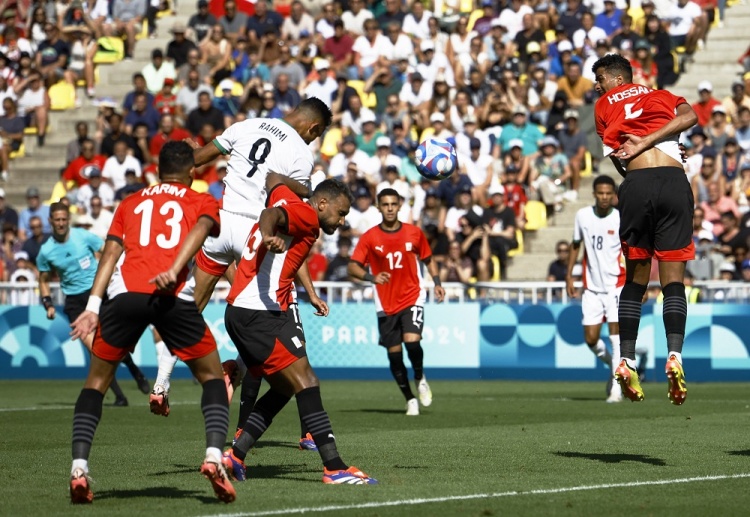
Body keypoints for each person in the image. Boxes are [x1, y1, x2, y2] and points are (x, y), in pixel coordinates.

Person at [67, 141, 235, 504]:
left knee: (95, 383)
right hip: (170, 296)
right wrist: (174, 268)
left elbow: (110, 253)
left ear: (158, 171)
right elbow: (204, 227)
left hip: (124, 297)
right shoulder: (201, 199)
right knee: (211, 377)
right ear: (192, 171)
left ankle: (79, 469)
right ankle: (212, 456)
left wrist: (93, 306)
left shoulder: (130, 202)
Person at [221, 174, 377, 485]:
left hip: (241, 310)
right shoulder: (306, 215)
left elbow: (273, 179)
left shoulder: (289, 198)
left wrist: (307, 191)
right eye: (340, 213)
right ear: (322, 204)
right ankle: (334, 467)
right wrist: (268, 235)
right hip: (259, 313)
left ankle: (235, 455)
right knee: (307, 380)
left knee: (285, 388)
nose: (342, 221)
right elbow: (271, 214)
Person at [593, 53, 698, 405]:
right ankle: (675, 355)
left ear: (617, 80)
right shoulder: (662, 95)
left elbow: (619, 159)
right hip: (673, 180)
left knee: (636, 281)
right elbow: (691, 117)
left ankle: (626, 360)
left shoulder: (603, 106)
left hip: (636, 184)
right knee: (673, 281)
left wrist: (641, 144)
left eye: (601, 79)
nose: (597, 86)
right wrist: (657, 141)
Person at [37, 203, 149, 408]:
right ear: (50, 221)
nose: (61, 223)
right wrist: (48, 304)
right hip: (74, 303)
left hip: (97, 294)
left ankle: (134, 370)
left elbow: (109, 251)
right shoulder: (46, 251)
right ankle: (120, 397)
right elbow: (43, 280)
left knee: (112, 342)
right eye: (57, 220)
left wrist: (113, 274)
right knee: (96, 351)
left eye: (64, 219)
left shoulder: (83, 236)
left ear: (68, 220)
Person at [348, 188, 445, 416]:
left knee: (412, 341)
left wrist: (437, 282)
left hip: (412, 296)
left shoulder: (414, 233)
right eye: (385, 204)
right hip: (385, 303)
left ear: (400, 206)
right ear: (379, 207)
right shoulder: (370, 237)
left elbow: (428, 259)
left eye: (393, 204)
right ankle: (410, 398)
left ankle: (420, 376)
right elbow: (352, 267)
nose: (390, 208)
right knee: (394, 354)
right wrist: (372, 277)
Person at [566, 175, 625, 403]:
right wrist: (569, 275)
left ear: (614, 195)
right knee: (591, 339)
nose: (604, 197)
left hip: (616, 285)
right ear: (594, 194)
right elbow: (575, 244)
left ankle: (616, 389)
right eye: (600, 193)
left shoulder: (620, 218)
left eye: (608, 193)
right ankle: (613, 365)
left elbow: (631, 251)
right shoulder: (582, 216)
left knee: (615, 337)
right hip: (591, 287)